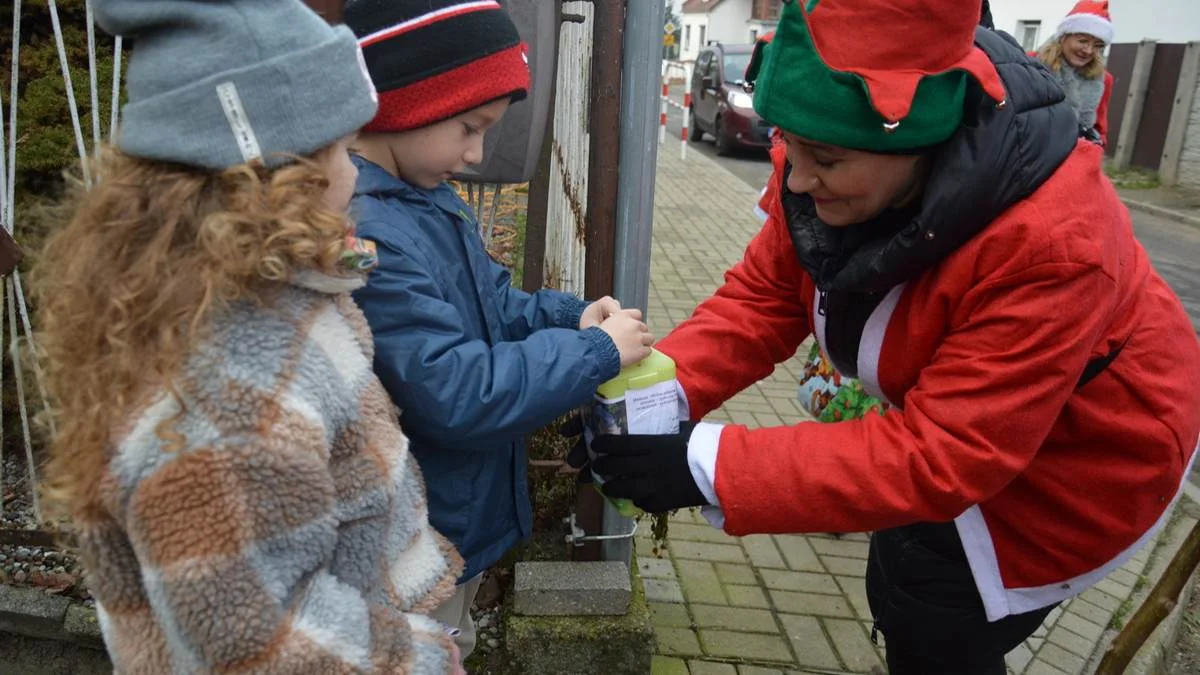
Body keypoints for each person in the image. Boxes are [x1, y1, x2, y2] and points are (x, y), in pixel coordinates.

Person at [591, 1, 1200, 673]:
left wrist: (706, 465)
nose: (794, 177)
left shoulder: (1055, 244)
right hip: (971, 421)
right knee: (904, 561)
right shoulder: (827, 148)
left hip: (1089, 450)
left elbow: (945, 453)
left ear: (918, 143)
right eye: (787, 144)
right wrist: (654, 397)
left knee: (933, 601)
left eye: (823, 158)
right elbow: (765, 299)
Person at [33, 1, 467, 672]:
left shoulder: (253, 292)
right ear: (275, 176)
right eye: (341, 149)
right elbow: (256, 637)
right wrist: (418, 655)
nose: (356, 172)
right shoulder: (226, 395)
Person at [341, 0, 654, 661]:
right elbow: (456, 391)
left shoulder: (422, 197)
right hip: (416, 545)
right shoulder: (373, 235)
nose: (478, 152)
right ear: (406, 103)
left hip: (451, 523)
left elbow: (490, 302)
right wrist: (594, 352)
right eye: (469, 127)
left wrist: (570, 315)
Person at [1036, 0, 1116, 144]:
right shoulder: (1033, 63)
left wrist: (1094, 145)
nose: (1089, 50)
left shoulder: (1104, 80)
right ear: (1064, 36)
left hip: (1074, 156)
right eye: (1083, 41)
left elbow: (1100, 128)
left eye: (1098, 45)